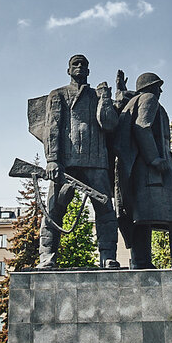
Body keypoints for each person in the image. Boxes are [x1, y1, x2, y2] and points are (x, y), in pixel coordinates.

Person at [39, 54, 120, 268]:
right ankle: (47, 255)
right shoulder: (58, 94)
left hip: (96, 161)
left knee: (105, 211)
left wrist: (106, 99)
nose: (80, 67)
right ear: (68, 70)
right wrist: (52, 159)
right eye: (75, 64)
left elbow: (110, 125)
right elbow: (52, 127)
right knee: (54, 209)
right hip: (67, 163)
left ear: (88, 71)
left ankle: (108, 255)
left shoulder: (97, 95)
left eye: (84, 64)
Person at [113, 72, 172, 269]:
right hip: (153, 169)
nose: (161, 90)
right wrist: (154, 158)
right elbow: (142, 126)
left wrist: (122, 91)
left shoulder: (133, 102)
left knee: (141, 218)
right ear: (150, 87)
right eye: (158, 86)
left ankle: (141, 262)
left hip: (137, 171)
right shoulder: (148, 99)